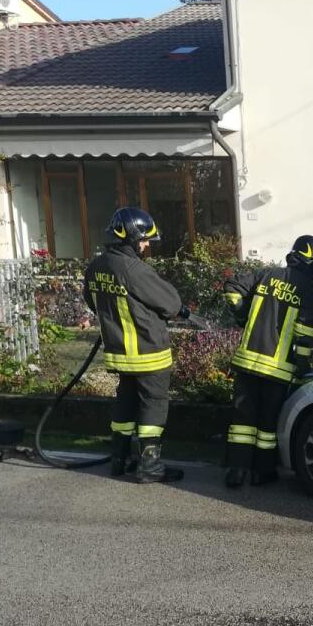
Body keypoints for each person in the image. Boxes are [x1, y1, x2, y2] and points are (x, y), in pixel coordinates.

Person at [83, 207, 187, 483]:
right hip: (148, 352)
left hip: (120, 355)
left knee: (126, 403)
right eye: (143, 240)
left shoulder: (96, 267)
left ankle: (119, 458)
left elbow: (92, 302)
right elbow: (171, 303)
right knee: (153, 404)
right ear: (129, 238)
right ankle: (150, 465)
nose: (145, 245)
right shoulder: (133, 269)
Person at [221, 235, 313, 488]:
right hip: (277, 370)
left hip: (247, 362)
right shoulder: (311, 294)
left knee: (242, 421)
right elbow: (304, 337)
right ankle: (262, 472)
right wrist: (302, 368)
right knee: (267, 426)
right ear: (311, 261)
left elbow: (232, 289)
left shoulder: (266, 274)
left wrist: (243, 315)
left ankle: (236, 470)